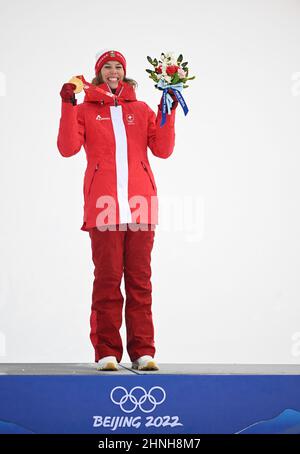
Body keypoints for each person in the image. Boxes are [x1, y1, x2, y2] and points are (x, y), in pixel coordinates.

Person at [57, 49, 178, 371]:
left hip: (141, 207)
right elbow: (67, 148)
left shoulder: (140, 109)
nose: (114, 72)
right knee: (108, 280)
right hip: (103, 206)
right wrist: (68, 103)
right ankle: (106, 353)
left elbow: (163, 150)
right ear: (98, 73)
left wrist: (169, 107)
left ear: (124, 72)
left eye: (118, 67)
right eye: (107, 67)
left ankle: (144, 352)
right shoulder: (84, 110)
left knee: (140, 282)